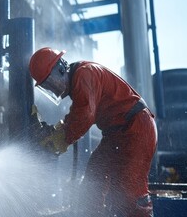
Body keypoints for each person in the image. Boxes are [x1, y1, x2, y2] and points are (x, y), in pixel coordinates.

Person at [29, 47, 157, 217]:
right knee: (94, 178)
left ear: (61, 68)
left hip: (136, 128)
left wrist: (62, 138)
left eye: (51, 83)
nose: (52, 89)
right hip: (116, 133)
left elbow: (85, 115)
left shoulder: (84, 74)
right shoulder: (80, 80)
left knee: (130, 191)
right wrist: (60, 132)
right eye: (47, 87)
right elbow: (79, 114)